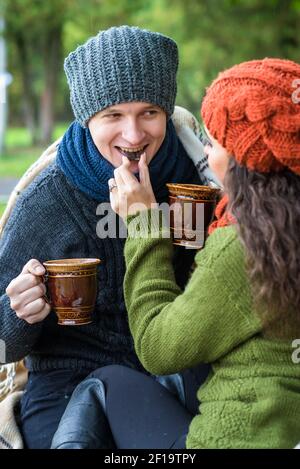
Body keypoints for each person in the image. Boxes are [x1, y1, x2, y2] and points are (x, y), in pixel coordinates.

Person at [52, 58, 300, 449]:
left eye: (213, 142)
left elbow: (157, 347)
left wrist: (145, 222)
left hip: (244, 434)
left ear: (243, 161)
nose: (203, 149)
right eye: (113, 114)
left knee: (105, 384)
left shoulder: (245, 247)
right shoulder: (281, 229)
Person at [0, 26, 215, 449]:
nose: (133, 136)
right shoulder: (48, 201)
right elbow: (4, 347)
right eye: (113, 116)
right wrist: (17, 314)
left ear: (167, 111)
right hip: (66, 379)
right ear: (86, 119)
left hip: (177, 368)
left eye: (149, 113)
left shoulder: (196, 182)